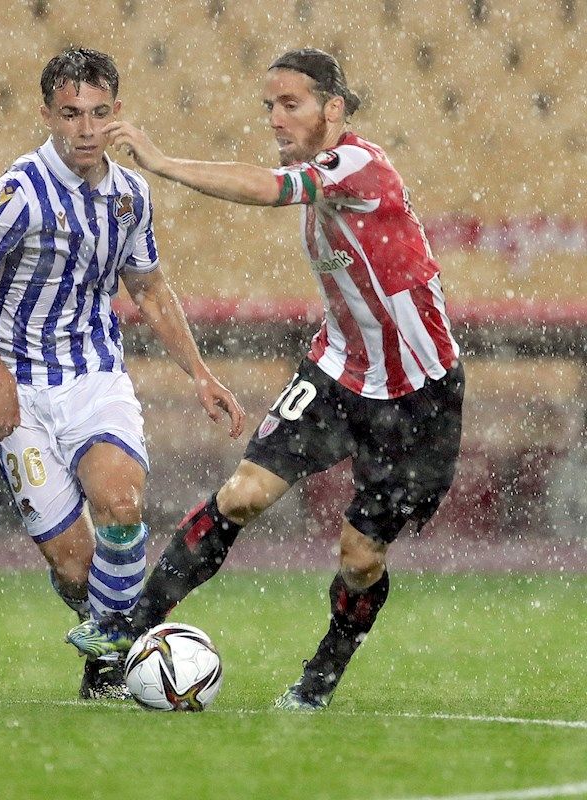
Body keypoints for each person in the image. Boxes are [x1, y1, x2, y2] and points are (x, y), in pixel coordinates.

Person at [66, 48, 464, 711]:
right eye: (269, 107)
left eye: (290, 105)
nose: (276, 119)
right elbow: (347, 260)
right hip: (339, 371)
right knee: (243, 493)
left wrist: (161, 162)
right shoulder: (321, 198)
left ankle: (320, 677)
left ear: (333, 109)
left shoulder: (358, 165)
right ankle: (125, 633)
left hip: (418, 396)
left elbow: (269, 189)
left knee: (360, 558)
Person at [0, 48, 245, 700]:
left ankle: (110, 655)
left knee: (122, 500)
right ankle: (103, 628)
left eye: (99, 113)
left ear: (117, 113)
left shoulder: (131, 195)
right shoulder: (17, 193)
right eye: (71, 114)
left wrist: (200, 373)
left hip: (95, 374)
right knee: (74, 564)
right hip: (17, 385)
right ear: (46, 114)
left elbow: (149, 288)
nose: (86, 129)